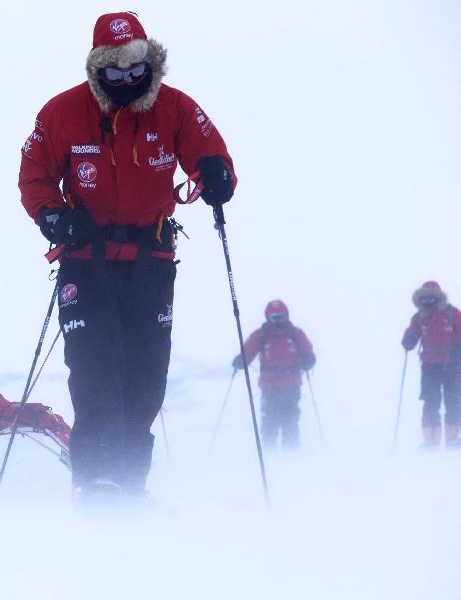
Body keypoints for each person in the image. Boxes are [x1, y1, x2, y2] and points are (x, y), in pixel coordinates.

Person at [18, 12, 236, 503]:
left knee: (145, 378)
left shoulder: (175, 108)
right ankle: (94, 486)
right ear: (97, 68)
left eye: (135, 68)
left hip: (151, 260)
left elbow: (210, 151)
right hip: (85, 261)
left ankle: (131, 486)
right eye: (113, 71)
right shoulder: (60, 113)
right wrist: (52, 217)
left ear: (150, 62)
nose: (126, 80)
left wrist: (216, 173)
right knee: (95, 371)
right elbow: (33, 175)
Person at [232, 300, 315, 450]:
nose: (278, 321)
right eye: (274, 317)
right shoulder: (262, 335)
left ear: (287, 316)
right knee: (269, 421)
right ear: (268, 317)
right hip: (269, 387)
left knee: (290, 420)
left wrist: (309, 359)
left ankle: (291, 455)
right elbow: (249, 350)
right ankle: (270, 454)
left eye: (281, 317)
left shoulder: (296, 334)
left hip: (291, 385)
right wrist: (242, 359)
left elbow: (307, 351)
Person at [401, 281, 461, 448]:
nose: (427, 301)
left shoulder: (452, 313)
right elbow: (412, 335)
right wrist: (408, 340)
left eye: (431, 297)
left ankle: (453, 438)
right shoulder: (419, 317)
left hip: (452, 364)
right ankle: (431, 441)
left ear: (438, 296)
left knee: (453, 400)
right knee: (430, 400)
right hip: (429, 366)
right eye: (424, 297)